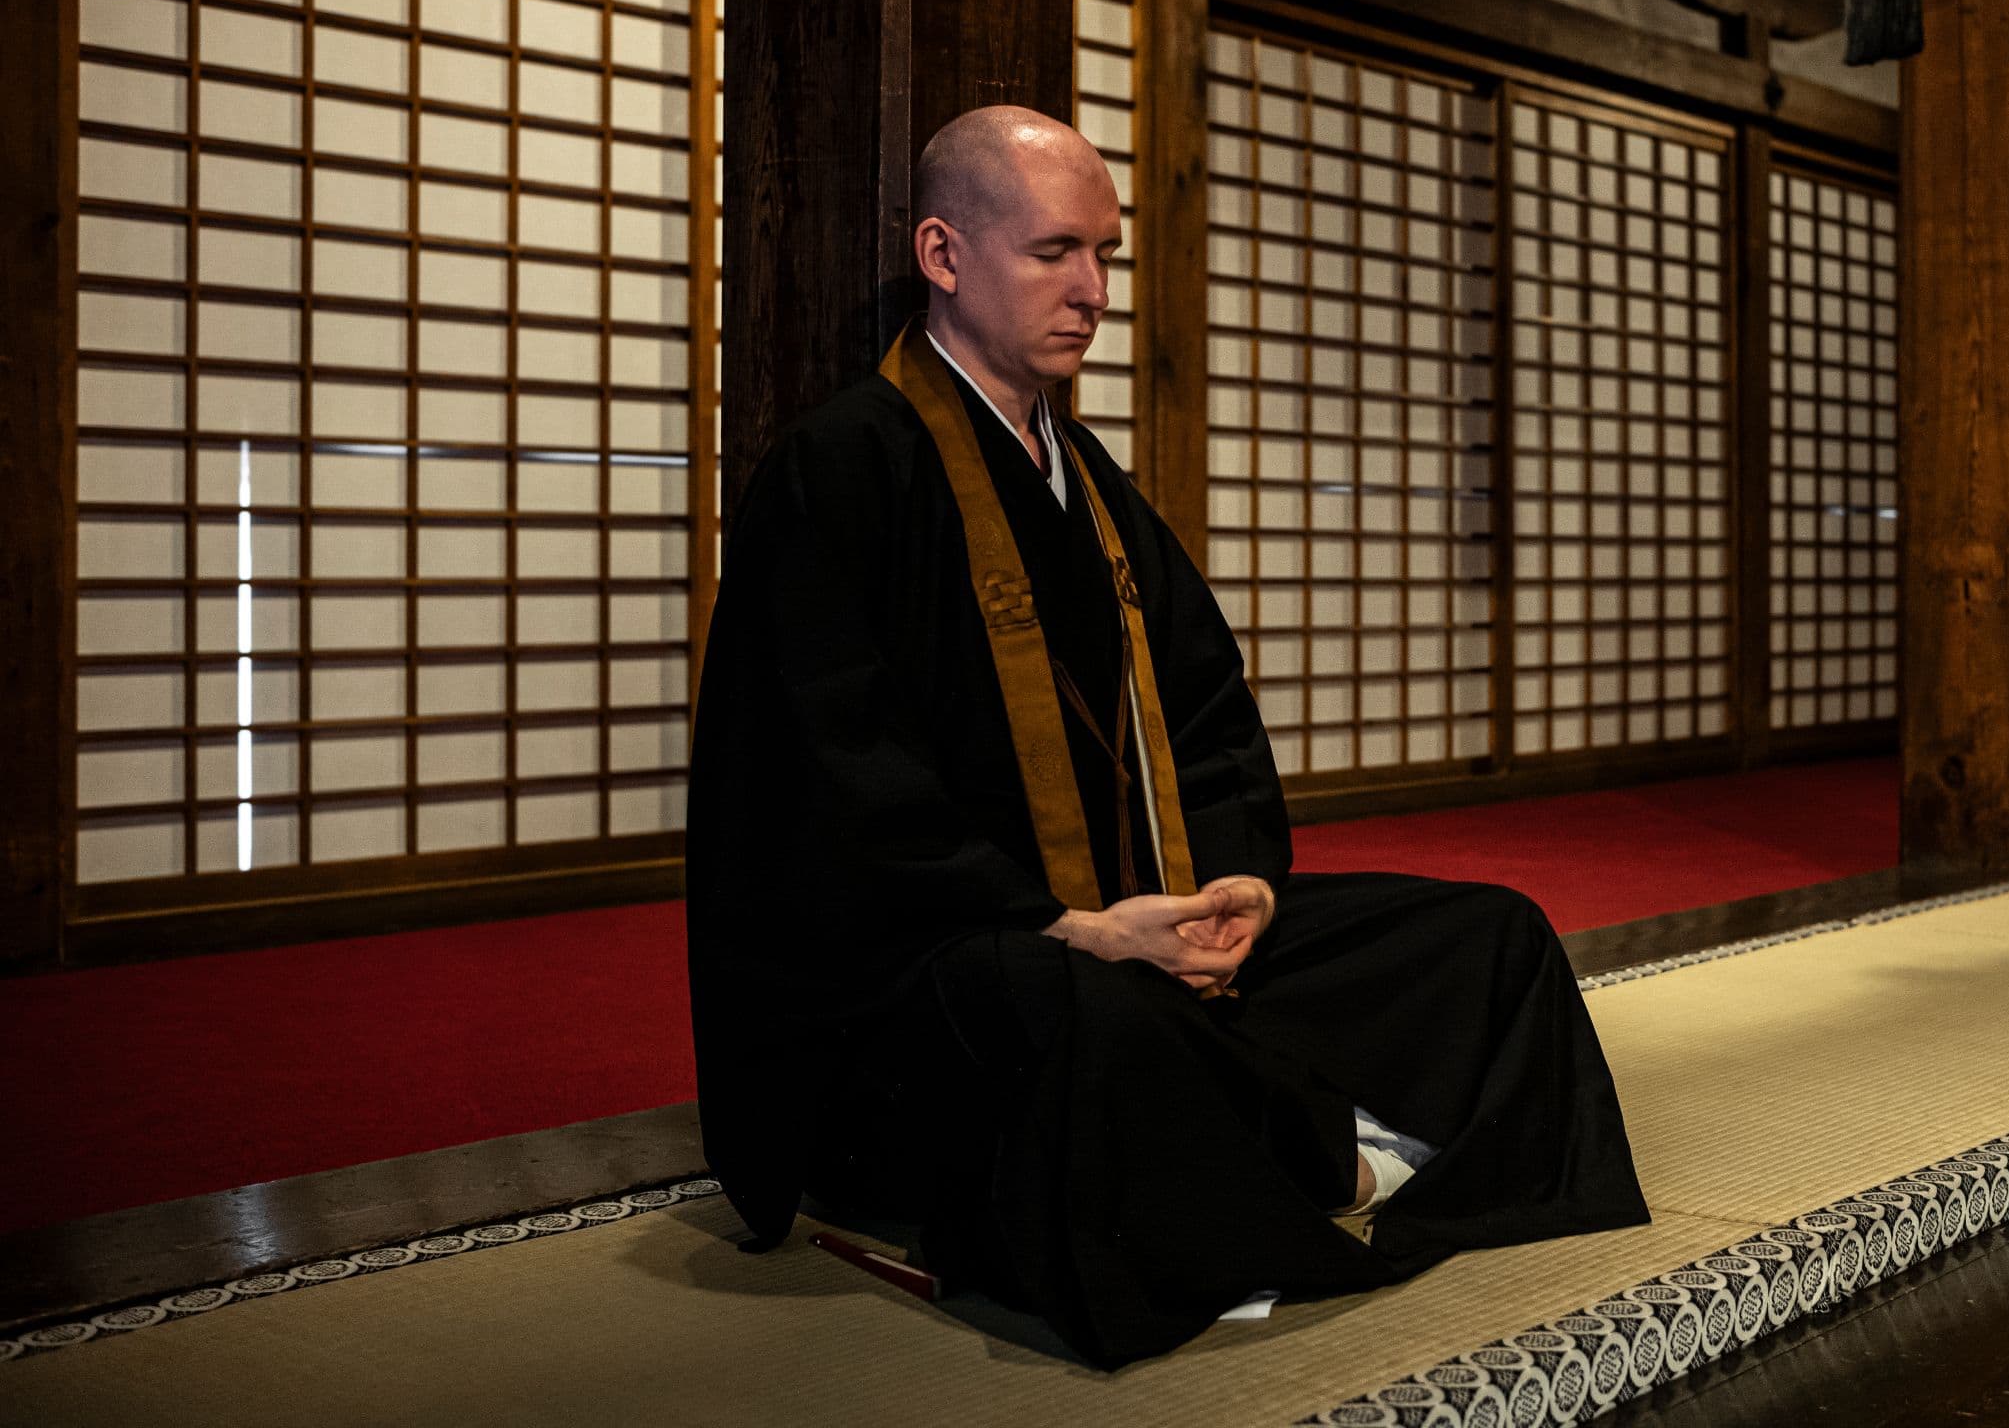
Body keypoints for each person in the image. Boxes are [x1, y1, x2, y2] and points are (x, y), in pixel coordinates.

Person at [686, 105, 1647, 1368]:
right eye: (1053, 253)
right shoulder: (837, 470)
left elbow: (1206, 711)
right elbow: (830, 780)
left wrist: (1235, 887)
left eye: (1105, 257)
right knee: (1081, 1013)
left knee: (1486, 937)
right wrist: (1068, 922)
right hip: (933, 973)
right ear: (942, 253)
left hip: (1136, 922)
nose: (1090, 292)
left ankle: (1292, 1149)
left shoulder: (1089, 483)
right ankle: (1324, 1152)